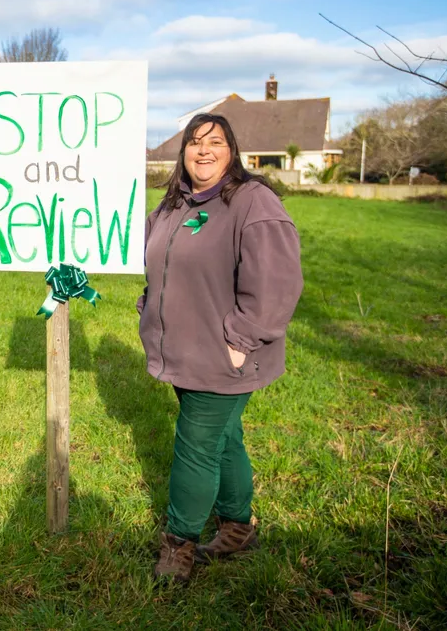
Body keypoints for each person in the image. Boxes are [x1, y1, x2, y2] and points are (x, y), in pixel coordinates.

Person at [137, 113, 303, 581]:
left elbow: (277, 284)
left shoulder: (253, 202)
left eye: (215, 142)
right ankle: (237, 527)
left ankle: (178, 544)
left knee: (195, 445)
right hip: (183, 352)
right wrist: (149, 304)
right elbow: (161, 266)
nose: (203, 150)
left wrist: (241, 339)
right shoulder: (174, 205)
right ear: (182, 153)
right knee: (223, 438)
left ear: (233, 152)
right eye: (194, 142)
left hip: (226, 354)